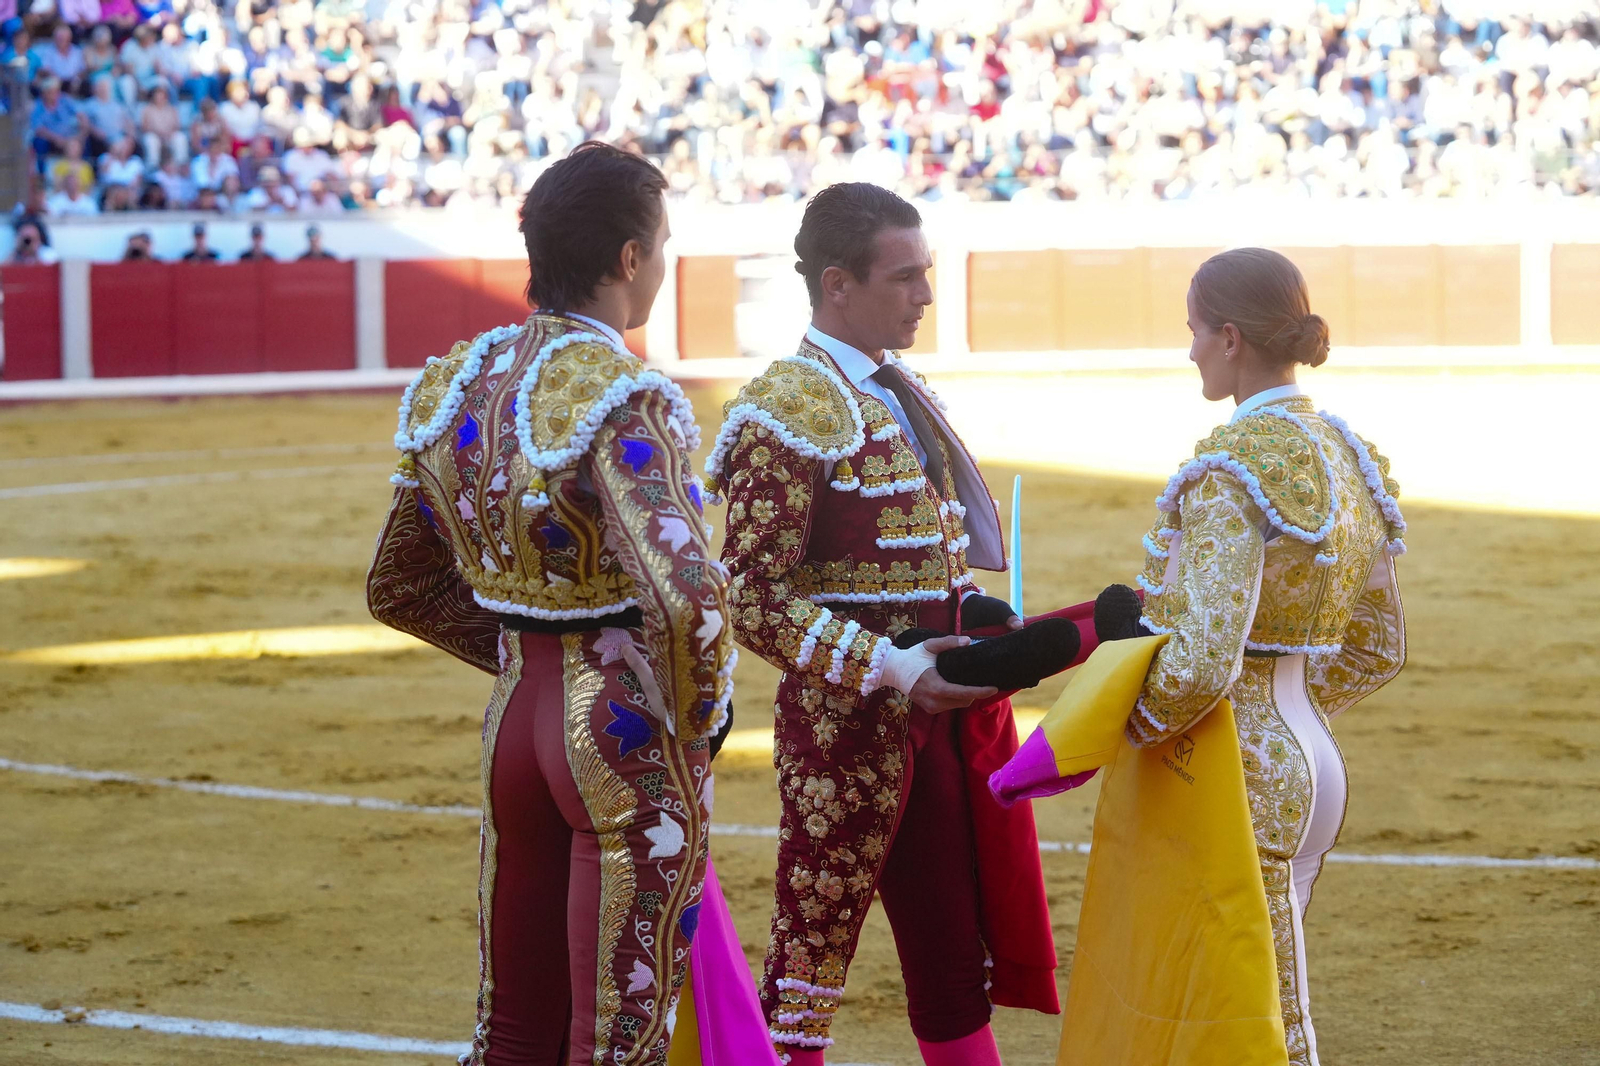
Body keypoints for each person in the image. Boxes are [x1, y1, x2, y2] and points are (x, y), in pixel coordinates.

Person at [366, 141, 763, 1066]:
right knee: (616, 1039)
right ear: (630, 259)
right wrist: (696, 717)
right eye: (660, 244)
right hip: (623, 728)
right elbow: (689, 599)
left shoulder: (456, 384)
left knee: (513, 1032)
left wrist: (519, 654)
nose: (660, 264)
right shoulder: (625, 393)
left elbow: (399, 586)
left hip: (514, 725)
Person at [997, 249, 1408, 1066]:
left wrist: (1131, 731)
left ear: (1228, 337)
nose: (1187, 350)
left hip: (1233, 770)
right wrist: (1294, 710)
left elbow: (1205, 659)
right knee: (1268, 989)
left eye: (1192, 330)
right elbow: (1379, 644)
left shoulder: (1231, 469)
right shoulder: (1348, 456)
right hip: (1312, 759)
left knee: (1254, 1012)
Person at [706, 183, 1059, 1066]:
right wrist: (895, 667)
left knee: (949, 954)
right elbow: (750, 594)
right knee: (810, 956)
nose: (926, 296)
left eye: (925, 273)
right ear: (837, 284)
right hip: (842, 730)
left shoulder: (897, 390)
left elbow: (901, 562)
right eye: (905, 278)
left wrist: (969, 613)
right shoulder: (785, 406)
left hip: (935, 720)